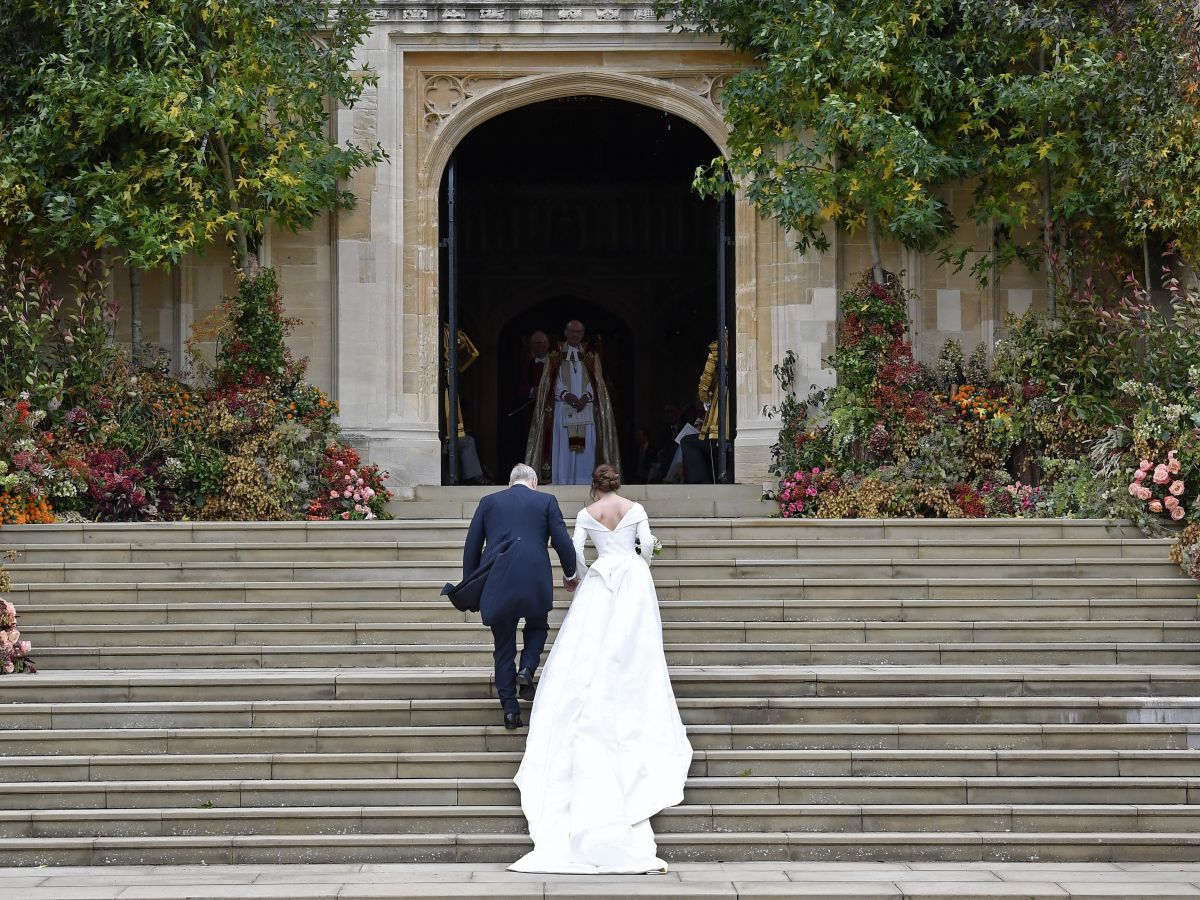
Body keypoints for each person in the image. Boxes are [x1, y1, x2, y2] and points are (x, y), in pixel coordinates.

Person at [510, 464, 693, 875]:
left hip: (601, 577)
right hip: (631, 576)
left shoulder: (588, 514)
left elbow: (574, 552)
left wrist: (575, 577)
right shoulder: (635, 507)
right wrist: (642, 559)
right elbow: (645, 547)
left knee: (590, 642)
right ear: (618, 484)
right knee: (635, 642)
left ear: (594, 486)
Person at [454, 463, 578, 729]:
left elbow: (472, 545)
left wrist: (470, 583)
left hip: (498, 579)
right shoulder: (546, 501)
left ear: (510, 483)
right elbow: (561, 541)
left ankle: (510, 710)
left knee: (504, 645)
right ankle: (527, 668)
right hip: (534, 577)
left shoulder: (489, 502)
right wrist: (570, 573)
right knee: (537, 626)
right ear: (533, 482)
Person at [525, 319, 621, 484]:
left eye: (579, 332)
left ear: (583, 334)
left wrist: (586, 396)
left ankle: (585, 483)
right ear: (566, 333)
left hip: (586, 408)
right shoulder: (554, 356)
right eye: (572, 332)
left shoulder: (591, 356)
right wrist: (566, 394)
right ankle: (563, 482)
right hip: (562, 408)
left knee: (587, 449)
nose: (575, 335)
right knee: (563, 449)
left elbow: (597, 382)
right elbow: (549, 382)